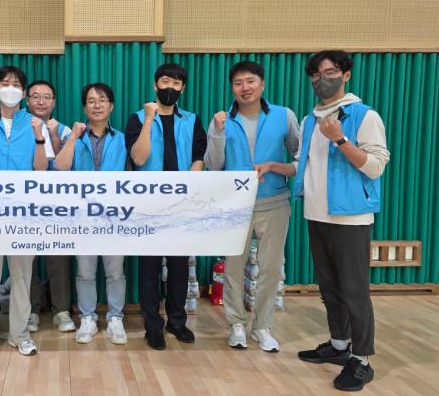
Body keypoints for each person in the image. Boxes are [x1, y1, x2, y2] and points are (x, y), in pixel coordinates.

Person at [292, 50, 389, 392]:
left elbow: (375, 166)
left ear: (346, 75)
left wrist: (340, 138)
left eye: (331, 72)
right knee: (329, 286)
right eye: (316, 74)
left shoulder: (364, 115)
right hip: (316, 214)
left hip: (351, 218)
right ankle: (338, 345)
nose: (323, 79)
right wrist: (274, 168)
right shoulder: (309, 120)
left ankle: (361, 360)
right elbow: (303, 164)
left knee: (354, 290)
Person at [204, 60, 300, 352]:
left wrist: (275, 167)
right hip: (236, 206)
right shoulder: (222, 120)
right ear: (232, 88)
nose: (244, 88)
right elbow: (213, 165)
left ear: (262, 84)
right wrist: (217, 132)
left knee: (271, 268)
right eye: (238, 83)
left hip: (275, 203)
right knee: (233, 267)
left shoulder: (284, 116)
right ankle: (236, 324)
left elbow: (300, 160)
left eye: (250, 81)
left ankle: (262, 326)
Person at [0, 66, 53, 358]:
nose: (11, 88)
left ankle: (20, 334)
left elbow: (41, 169)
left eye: (16, 84)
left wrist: (39, 136)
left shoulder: (35, 123)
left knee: (21, 277)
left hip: (24, 213)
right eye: (5, 84)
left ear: (23, 92)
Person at [125, 63, 207, 350]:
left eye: (175, 83)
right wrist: (149, 119)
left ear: (182, 88)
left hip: (181, 204)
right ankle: (152, 325)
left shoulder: (192, 120)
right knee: (149, 267)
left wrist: (187, 186)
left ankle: (177, 321)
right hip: (149, 205)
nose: (169, 87)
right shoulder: (137, 119)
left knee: (179, 266)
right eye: (164, 81)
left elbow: (199, 156)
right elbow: (138, 158)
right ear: (155, 85)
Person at [55, 83, 128, 345]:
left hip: (114, 216)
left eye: (102, 100)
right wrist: (73, 138)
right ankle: (87, 318)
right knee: (85, 271)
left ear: (111, 106)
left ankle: (115, 318)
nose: (97, 105)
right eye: (91, 101)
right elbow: (60, 168)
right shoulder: (75, 138)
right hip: (82, 216)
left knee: (115, 271)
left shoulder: (122, 139)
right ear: (84, 107)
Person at [24, 79, 75, 333]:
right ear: (27, 100)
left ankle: (61, 310)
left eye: (46, 97)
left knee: (58, 258)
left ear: (54, 102)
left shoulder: (64, 130)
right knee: (27, 259)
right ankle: (30, 310)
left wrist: (53, 135)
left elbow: (63, 166)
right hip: (23, 205)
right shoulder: (18, 129)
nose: (41, 101)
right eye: (35, 96)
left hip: (56, 206)